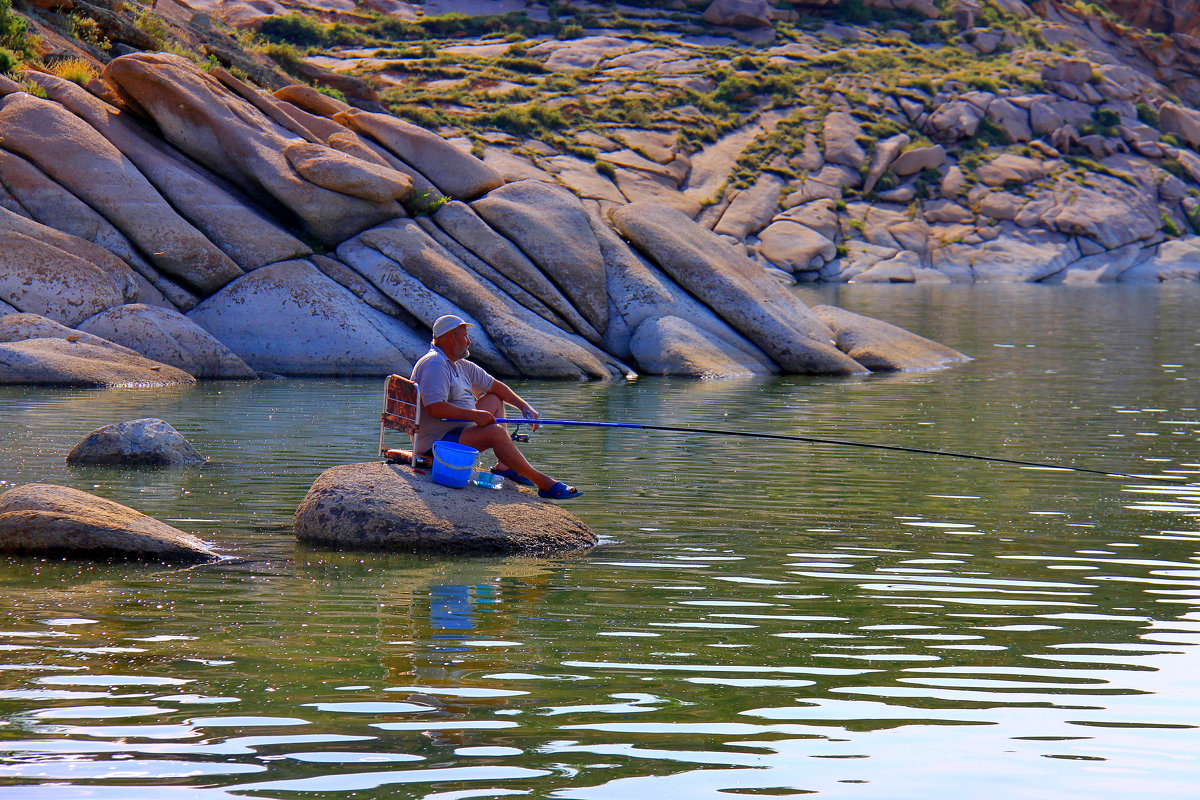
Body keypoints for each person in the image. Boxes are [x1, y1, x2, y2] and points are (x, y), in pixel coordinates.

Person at [411, 315, 582, 500]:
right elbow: (435, 408)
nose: (469, 341)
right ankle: (545, 484)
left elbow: (495, 387)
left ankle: (505, 466)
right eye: (465, 336)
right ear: (451, 337)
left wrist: (525, 408)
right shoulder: (435, 364)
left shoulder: (459, 365)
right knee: (496, 432)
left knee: (493, 399)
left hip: (454, 431)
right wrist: (475, 416)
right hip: (436, 444)